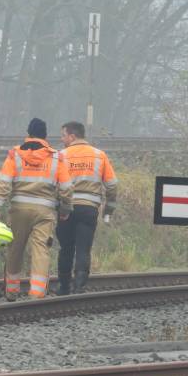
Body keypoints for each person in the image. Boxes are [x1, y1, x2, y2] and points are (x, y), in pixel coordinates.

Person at [0, 118, 73, 300]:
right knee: (41, 249)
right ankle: (37, 292)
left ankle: (11, 290)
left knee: (14, 248)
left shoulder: (15, 155)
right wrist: (66, 209)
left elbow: (3, 183)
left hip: (19, 210)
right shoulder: (57, 157)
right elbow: (66, 187)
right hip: (45, 212)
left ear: (28, 134)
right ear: (45, 136)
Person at [56, 121, 118, 295]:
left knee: (66, 247)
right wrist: (108, 210)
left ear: (72, 136)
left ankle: (63, 286)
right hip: (88, 209)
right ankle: (79, 286)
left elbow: (54, 182)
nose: (62, 139)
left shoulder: (61, 155)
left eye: (63, 135)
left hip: (65, 210)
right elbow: (112, 185)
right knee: (83, 248)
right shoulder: (99, 156)